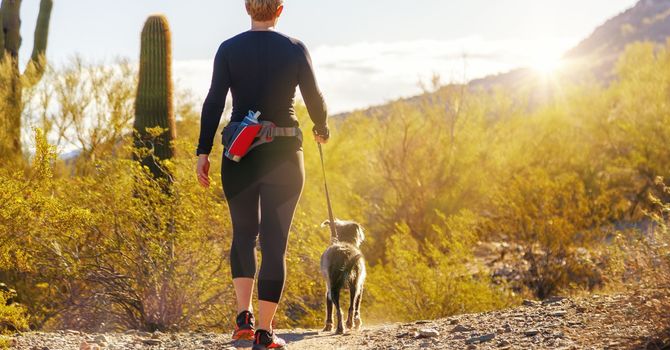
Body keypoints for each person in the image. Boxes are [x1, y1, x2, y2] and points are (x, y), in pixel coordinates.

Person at [195, 0, 329, 349]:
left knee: (242, 234)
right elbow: (314, 96)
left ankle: (243, 320)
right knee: (274, 243)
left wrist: (202, 152)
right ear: (280, 10)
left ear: (247, 8)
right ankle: (265, 333)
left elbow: (213, 101)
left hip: (238, 154)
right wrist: (322, 127)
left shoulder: (228, 49)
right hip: (284, 155)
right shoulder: (295, 49)